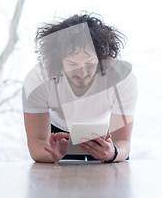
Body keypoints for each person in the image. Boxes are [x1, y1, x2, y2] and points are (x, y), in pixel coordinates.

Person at [22, 13, 137, 163]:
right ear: (58, 60)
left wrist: (113, 153)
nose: (82, 73)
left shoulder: (122, 78)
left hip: (102, 135)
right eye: (72, 64)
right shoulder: (37, 81)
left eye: (89, 63)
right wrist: (49, 155)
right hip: (57, 134)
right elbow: (36, 143)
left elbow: (123, 143)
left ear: (102, 58)